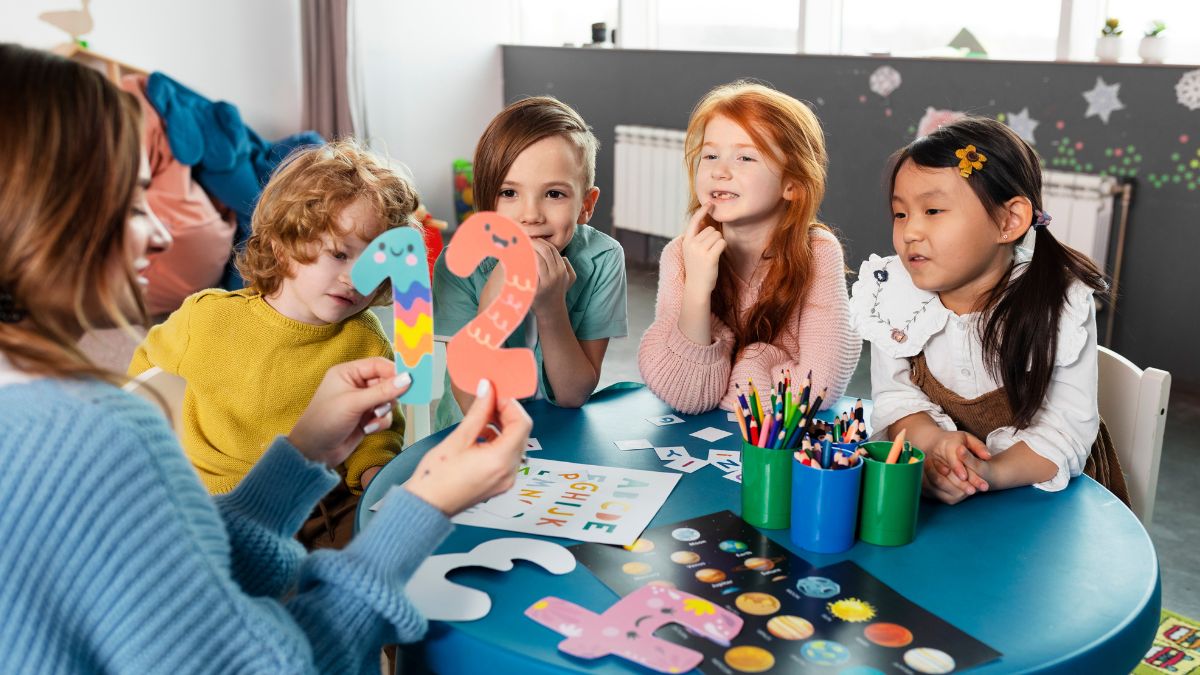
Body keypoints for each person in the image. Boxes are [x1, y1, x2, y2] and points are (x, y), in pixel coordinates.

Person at [0, 43, 531, 673]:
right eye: (135, 200)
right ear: (44, 214)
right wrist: (425, 507)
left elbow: (178, 584)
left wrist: (303, 451)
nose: (164, 233)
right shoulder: (106, 434)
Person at [129, 140, 412, 548]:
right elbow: (142, 381)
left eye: (373, 265)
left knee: (395, 560)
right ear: (282, 243)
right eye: (338, 253)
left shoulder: (365, 336)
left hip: (325, 506)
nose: (356, 278)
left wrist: (376, 475)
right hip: (220, 506)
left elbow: (376, 430)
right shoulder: (206, 317)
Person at [850, 116, 1128, 505]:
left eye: (932, 211)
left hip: (1043, 494)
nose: (910, 231)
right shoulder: (893, 296)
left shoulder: (1059, 303)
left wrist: (988, 473)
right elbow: (896, 398)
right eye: (901, 213)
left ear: (1009, 221)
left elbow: (1065, 430)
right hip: (945, 490)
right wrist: (935, 448)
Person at [639, 80, 860, 414]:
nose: (720, 171)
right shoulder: (681, 254)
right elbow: (683, 394)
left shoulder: (818, 253)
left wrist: (749, 363)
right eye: (710, 155)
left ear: (792, 185)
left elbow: (819, 389)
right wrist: (698, 288)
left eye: (745, 157)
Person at [433, 96, 627, 429]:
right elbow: (473, 405)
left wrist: (552, 309)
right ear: (485, 203)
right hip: (472, 439)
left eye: (554, 194)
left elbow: (572, 394)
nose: (531, 215)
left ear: (586, 205)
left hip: (559, 438)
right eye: (509, 193)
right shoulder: (457, 265)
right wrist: (494, 305)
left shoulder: (603, 259)